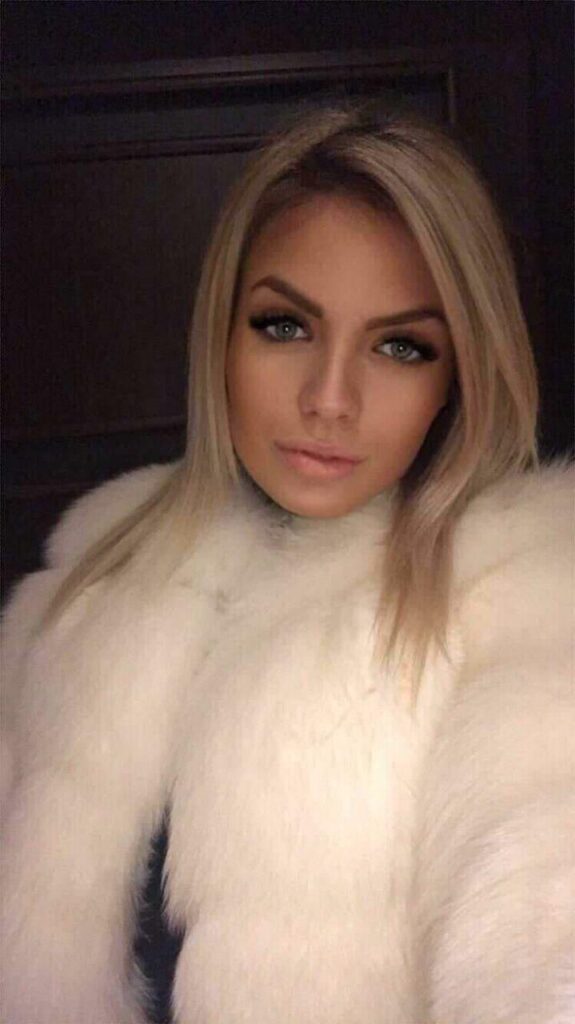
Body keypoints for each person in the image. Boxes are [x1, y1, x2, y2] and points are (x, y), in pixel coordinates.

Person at [0, 104, 573, 1024]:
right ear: (221, 335)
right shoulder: (97, 570)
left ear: (458, 376)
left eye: (400, 346)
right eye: (283, 326)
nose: (329, 398)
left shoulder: (527, 596)